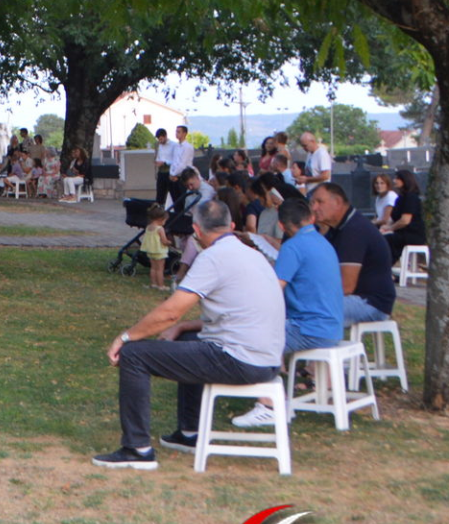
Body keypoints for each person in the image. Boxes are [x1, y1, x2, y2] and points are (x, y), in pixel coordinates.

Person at [93, 201, 285, 468]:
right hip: (269, 360)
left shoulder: (213, 257)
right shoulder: (253, 255)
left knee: (134, 354)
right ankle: (189, 433)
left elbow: (171, 312)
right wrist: (183, 327)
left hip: (241, 360)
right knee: (188, 340)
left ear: (196, 231)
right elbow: (236, 315)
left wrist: (125, 337)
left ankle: (137, 449)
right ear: (231, 226)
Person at [231, 198, 349, 428]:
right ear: (311, 218)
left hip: (310, 329)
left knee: (255, 338)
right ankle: (277, 399)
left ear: (282, 226)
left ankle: (269, 405)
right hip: (332, 326)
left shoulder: (293, 247)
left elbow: (273, 291)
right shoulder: (323, 242)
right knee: (267, 333)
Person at [310, 182, 395, 324]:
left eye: (320, 202)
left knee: (307, 310)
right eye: (312, 203)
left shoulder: (354, 230)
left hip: (370, 303)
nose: (314, 208)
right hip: (357, 298)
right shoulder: (339, 228)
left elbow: (346, 286)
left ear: (337, 202)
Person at [139, 204, 176, 289]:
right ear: (160, 219)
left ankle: (153, 283)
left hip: (150, 250)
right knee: (160, 269)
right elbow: (164, 241)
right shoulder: (160, 229)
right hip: (159, 251)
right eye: (165, 220)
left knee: (153, 268)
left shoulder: (148, 227)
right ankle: (161, 285)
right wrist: (169, 242)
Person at [152, 127, 173, 205]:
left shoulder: (173, 145)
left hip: (170, 172)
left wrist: (165, 163)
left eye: (161, 139)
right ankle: (159, 208)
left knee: (173, 194)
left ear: (165, 136)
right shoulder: (158, 145)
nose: (160, 141)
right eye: (159, 139)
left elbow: (175, 160)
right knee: (160, 195)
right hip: (161, 172)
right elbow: (157, 156)